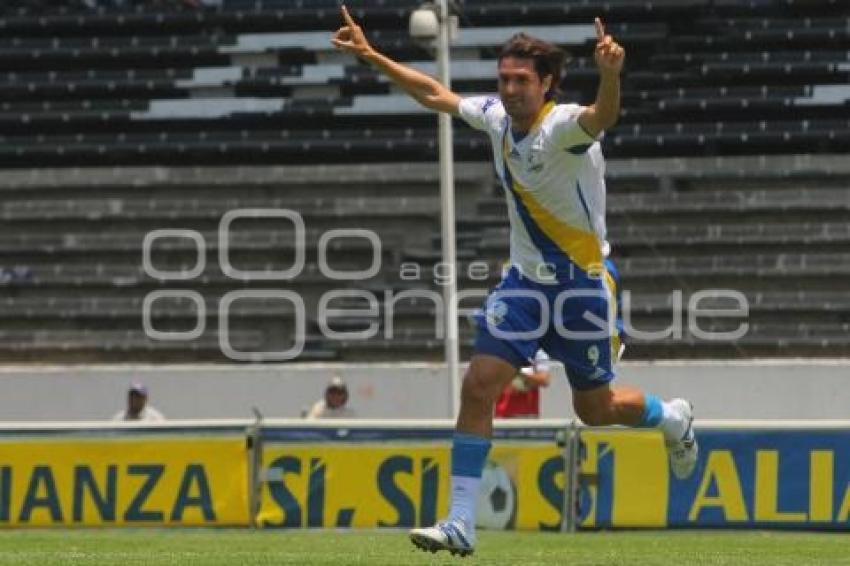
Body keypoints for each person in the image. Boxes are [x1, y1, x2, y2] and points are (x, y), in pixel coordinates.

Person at [332, 7, 697, 556]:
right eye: (504, 79)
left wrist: (611, 74)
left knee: (593, 412)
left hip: (583, 288)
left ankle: (670, 418)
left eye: (521, 80)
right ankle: (460, 521)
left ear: (547, 83)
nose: (509, 89)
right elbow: (434, 93)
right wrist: (371, 55)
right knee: (479, 384)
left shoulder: (564, 127)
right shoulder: (497, 118)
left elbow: (604, 116)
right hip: (524, 286)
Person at [494, 349, 551, 418]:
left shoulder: (537, 352)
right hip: (502, 415)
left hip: (528, 415)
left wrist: (520, 375)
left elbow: (545, 380)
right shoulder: (498, 348)